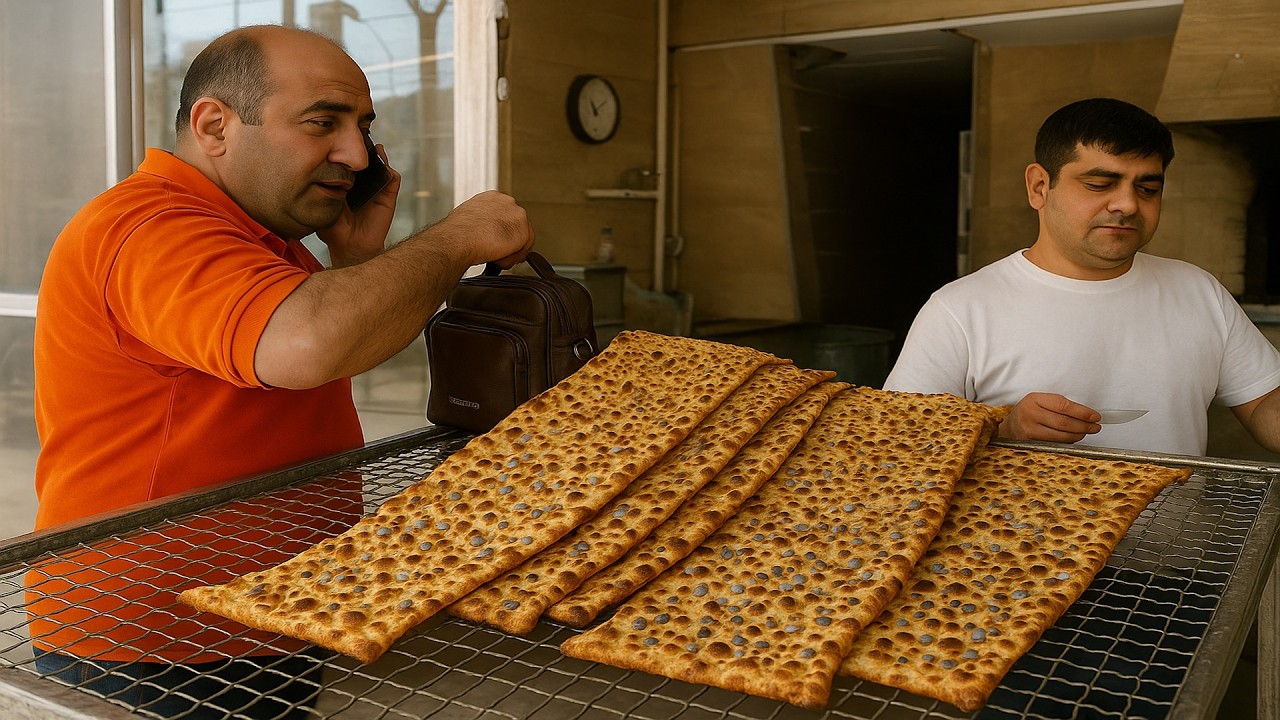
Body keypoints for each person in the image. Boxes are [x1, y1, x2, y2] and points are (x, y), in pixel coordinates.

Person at [27, 24, 533, 718]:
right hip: (157, 640)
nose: (356, 155)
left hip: (263, 615)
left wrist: (354, 264)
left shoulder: (262, 244)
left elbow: (316, 356)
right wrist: (458, 235)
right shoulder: (152, 226)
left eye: (362, 128)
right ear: (214, 126)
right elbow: (305, 344)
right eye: (322, 122)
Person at [884, 97, 1280, 457]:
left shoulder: (1198, 291)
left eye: (1147, 188)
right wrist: (1003, 426)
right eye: (1099, 184)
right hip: (1025, 535)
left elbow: (1263, 402)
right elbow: (901, 445)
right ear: (1039, 187)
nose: (1127, 204)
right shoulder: (958, 310)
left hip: (1176, 535)